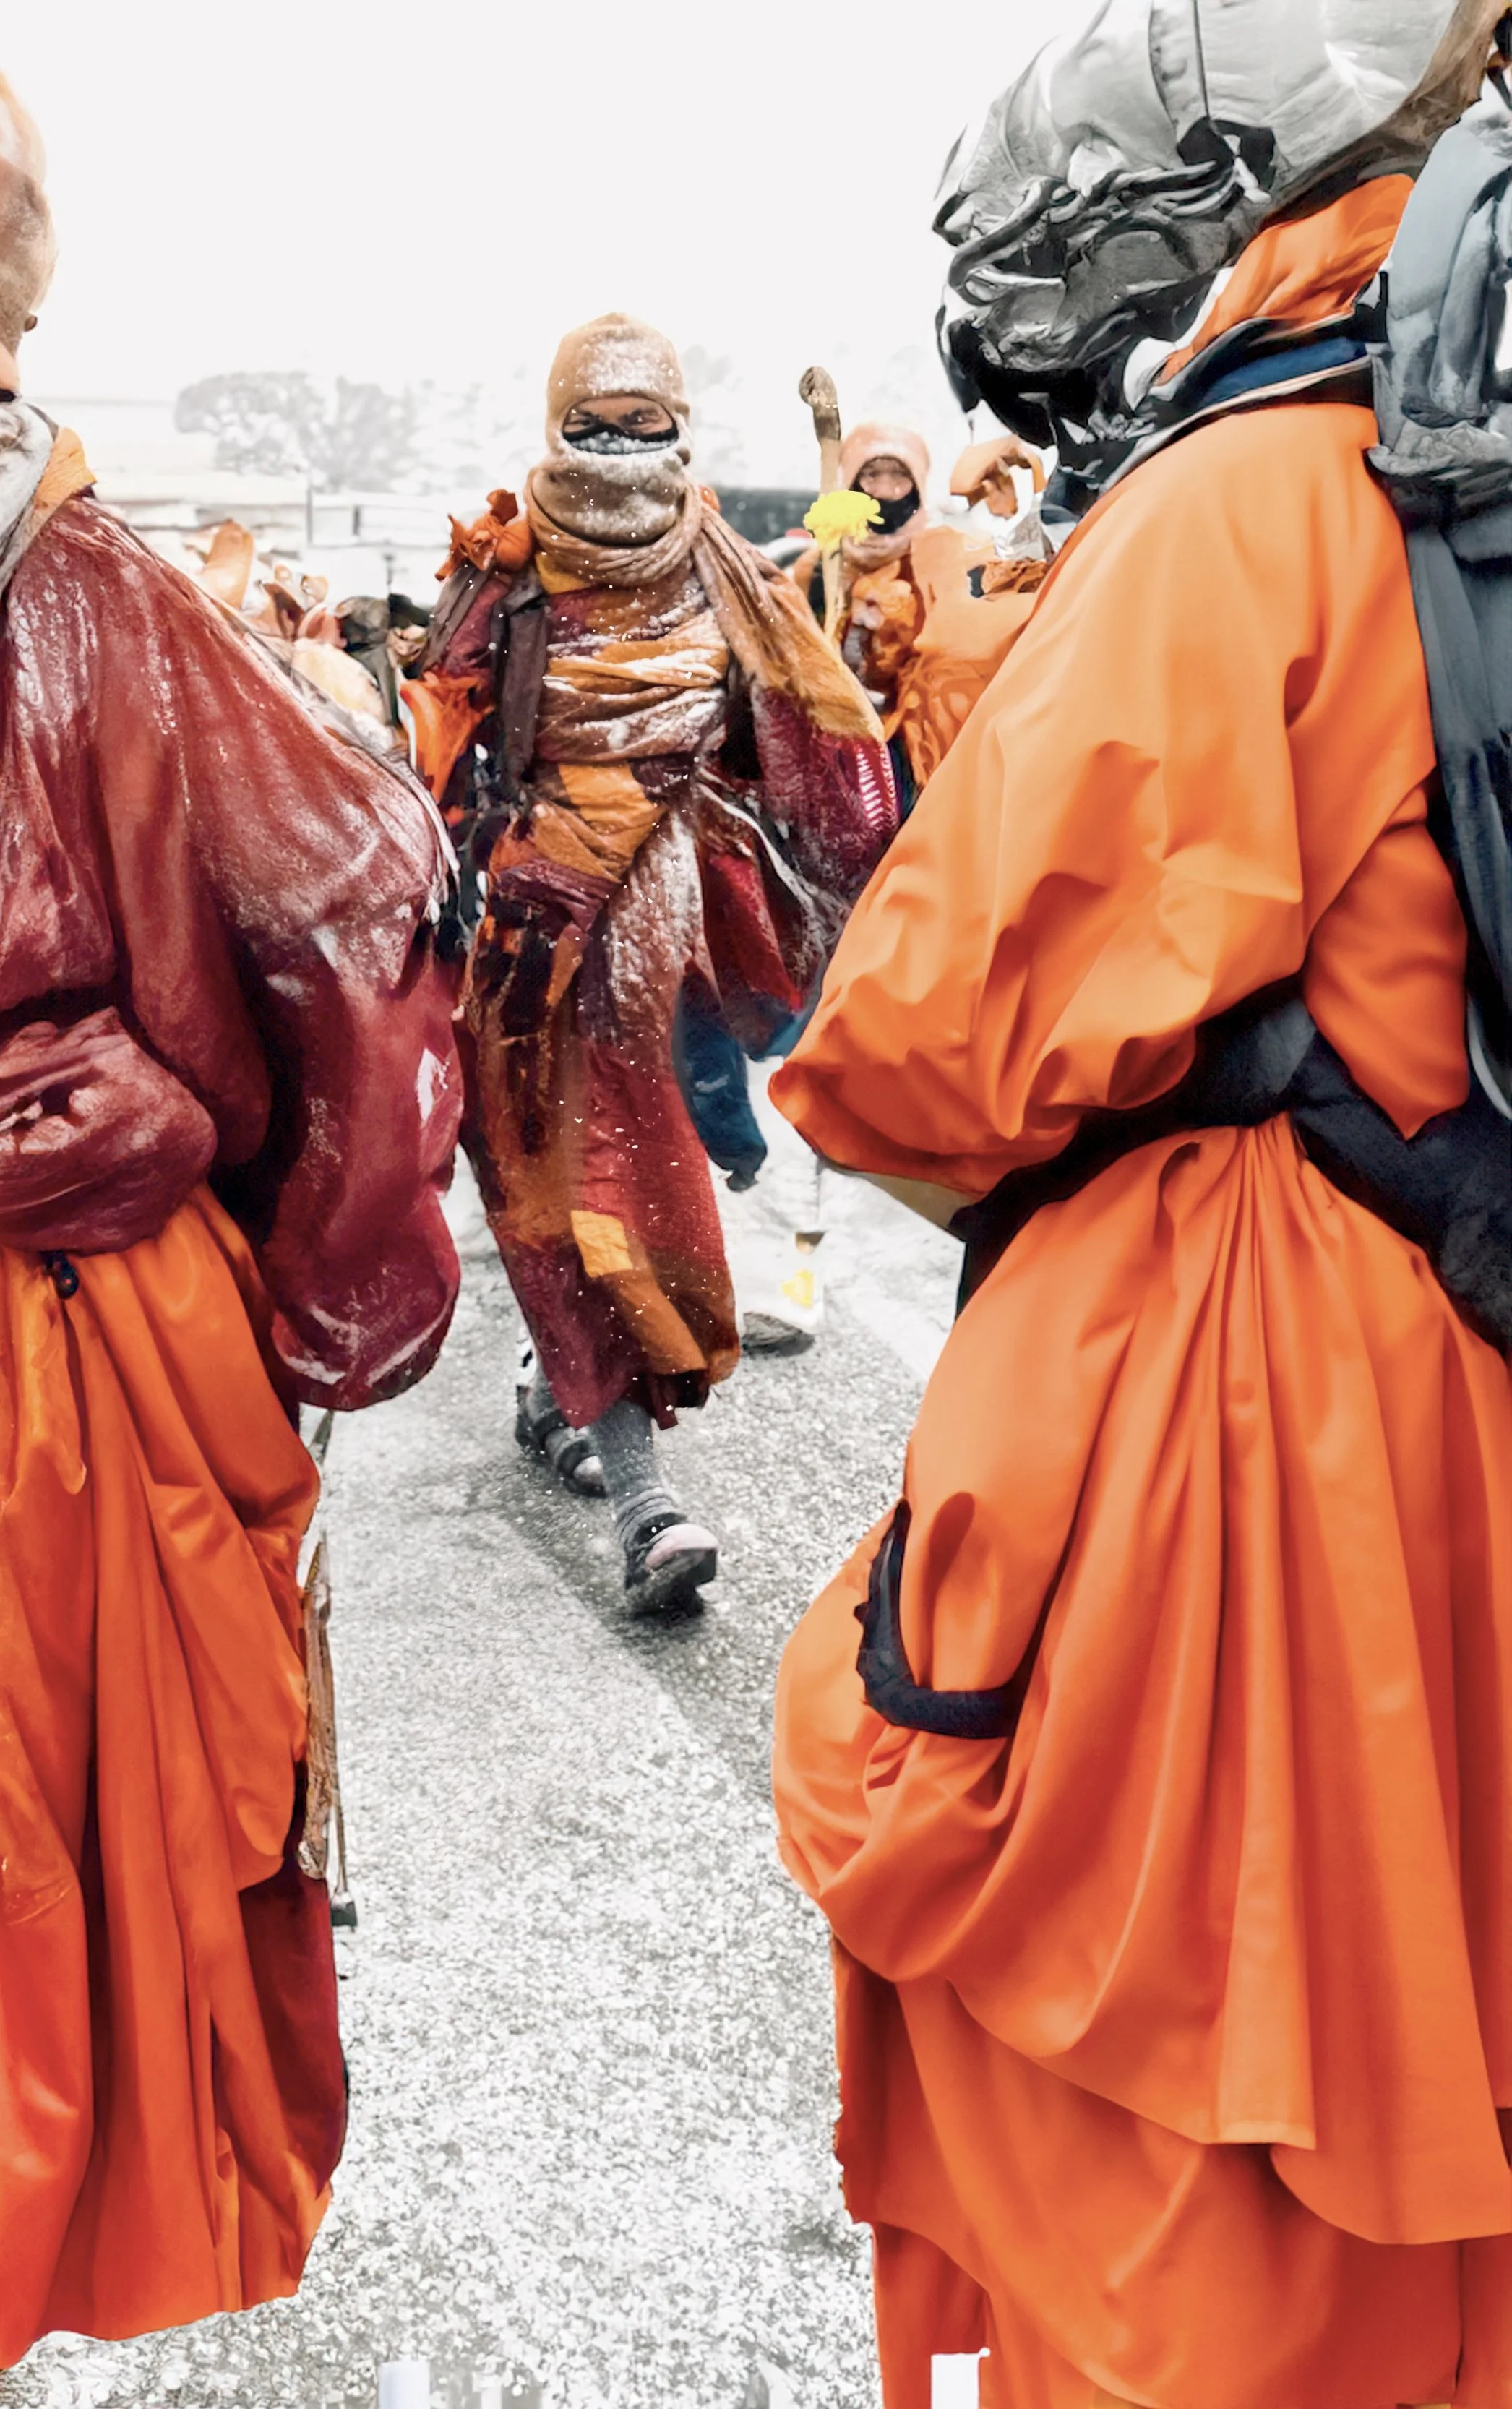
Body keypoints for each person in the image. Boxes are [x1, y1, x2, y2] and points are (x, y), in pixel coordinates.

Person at [0, 17, 458, 2401]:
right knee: (157, 1801)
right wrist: (341, 1298)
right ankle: (69, 2252)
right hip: (90, 1295)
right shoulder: (93, 573)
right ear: (8, 255)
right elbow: (352, 912)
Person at [770, 1, 1512, 2403]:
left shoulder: (1255, 498)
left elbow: (932, 1045)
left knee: (1182, 2154)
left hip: (1267, 1423)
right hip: (1477, 1344)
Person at [411, 317, 895, 1610]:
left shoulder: (731, 575)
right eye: (597, 425)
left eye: (646, 425)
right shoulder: (505, 572)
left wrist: (815, 876)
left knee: (617, 1198)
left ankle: (571, 1407)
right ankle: (645, 1502)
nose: (622, 451)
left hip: (662, 944)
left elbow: (814, 749)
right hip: (523, 949)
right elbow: (440, 741)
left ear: (680, 428)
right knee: (564, 1193)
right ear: (556, 421)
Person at [795, 423, 1048, 810]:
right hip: (830, 748)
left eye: (898, 476)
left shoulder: (942, 558)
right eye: (871, 474)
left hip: (913, 754)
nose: (884, 489)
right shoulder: (818, 569)